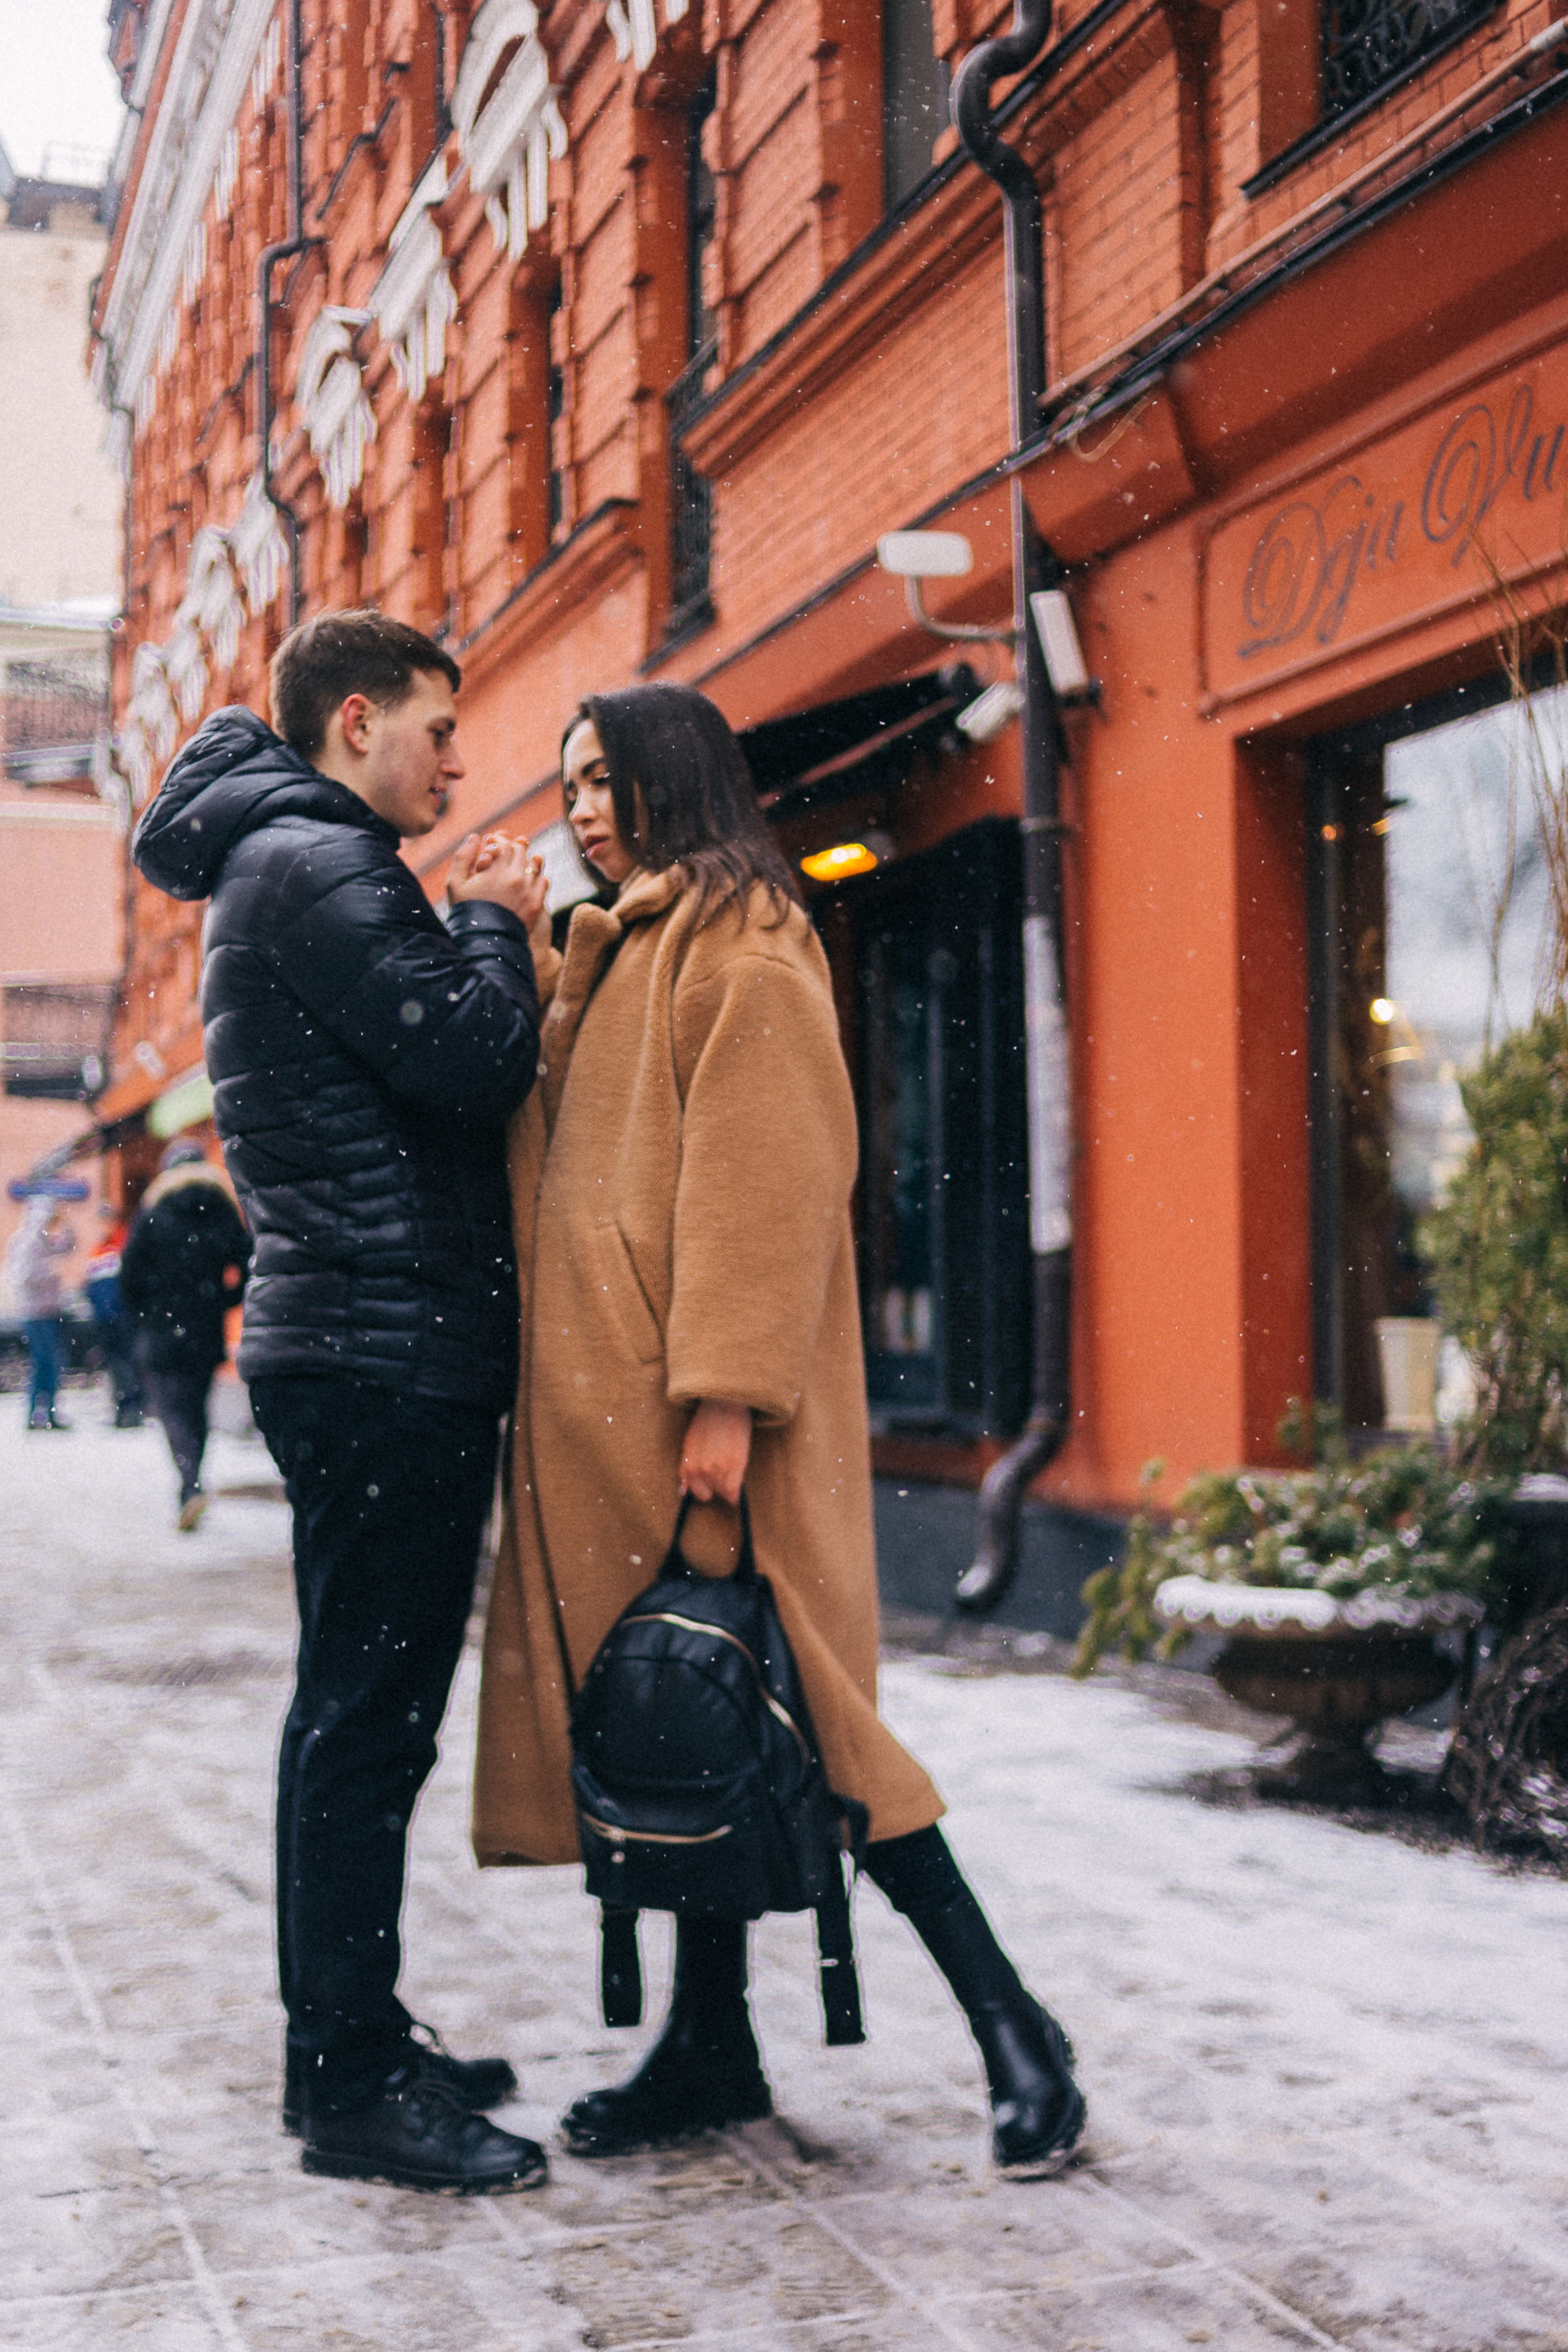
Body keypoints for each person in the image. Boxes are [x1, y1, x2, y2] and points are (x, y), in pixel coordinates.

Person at [473, 682, 1086, 2176]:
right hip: (609, 1424)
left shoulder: (743, 940)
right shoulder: (620, 949)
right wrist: (521, 948)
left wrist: (727, 1394)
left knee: (813, 1724)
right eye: (567, 785)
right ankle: (709, 2040)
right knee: (681, 1726)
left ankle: (1014, 2029)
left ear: (675, 776)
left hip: (698, 1427)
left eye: (604, 777)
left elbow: (768, 1181)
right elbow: (555, 1152)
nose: (581, 808)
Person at [132, 609, 551, 2196]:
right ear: (356, 719)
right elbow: (478, 1059)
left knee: (358, 1719)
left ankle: (353, 2040)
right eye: (439, 729)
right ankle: (350, 2082)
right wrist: (493, 919)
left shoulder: (290, 863)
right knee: (366, 1728)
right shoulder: (323, 866)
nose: (458, 762)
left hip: (364, 1344)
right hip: (384, 1352)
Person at [119, 1140, 252, 1526]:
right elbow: (249, 1260)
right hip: (206, 1328)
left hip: (162, 1328)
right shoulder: (222, 1207)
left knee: (172, 1409)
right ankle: (193, 1482)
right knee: (196, 1408)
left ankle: (190, 1484)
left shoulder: (155, 1210)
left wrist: (145, 1312)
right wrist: (224, 1300)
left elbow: (129, 1273)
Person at [7, 1195, 77, 1430]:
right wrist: (49, 1275)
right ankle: (35, 1413)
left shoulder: (43, 1241)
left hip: (50, 1310)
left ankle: (49, 1412)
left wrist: (67, 1221)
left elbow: (69, 1247)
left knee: (53, 1363)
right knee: (44, 1362)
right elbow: (21, 1277)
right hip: (35, 1312)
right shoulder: (25, 1242)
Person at [83, 1204, 143, 1428]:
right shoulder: (98, 1250)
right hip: (105, 1319)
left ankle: (132, 1410)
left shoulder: (125, 1245)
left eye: (107, 1221)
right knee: (115, 1366)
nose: (104, 1226)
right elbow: (92, 1287)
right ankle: (120, 1410)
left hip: (123, 1317)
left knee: (127, 1364)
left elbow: (132, 1284)